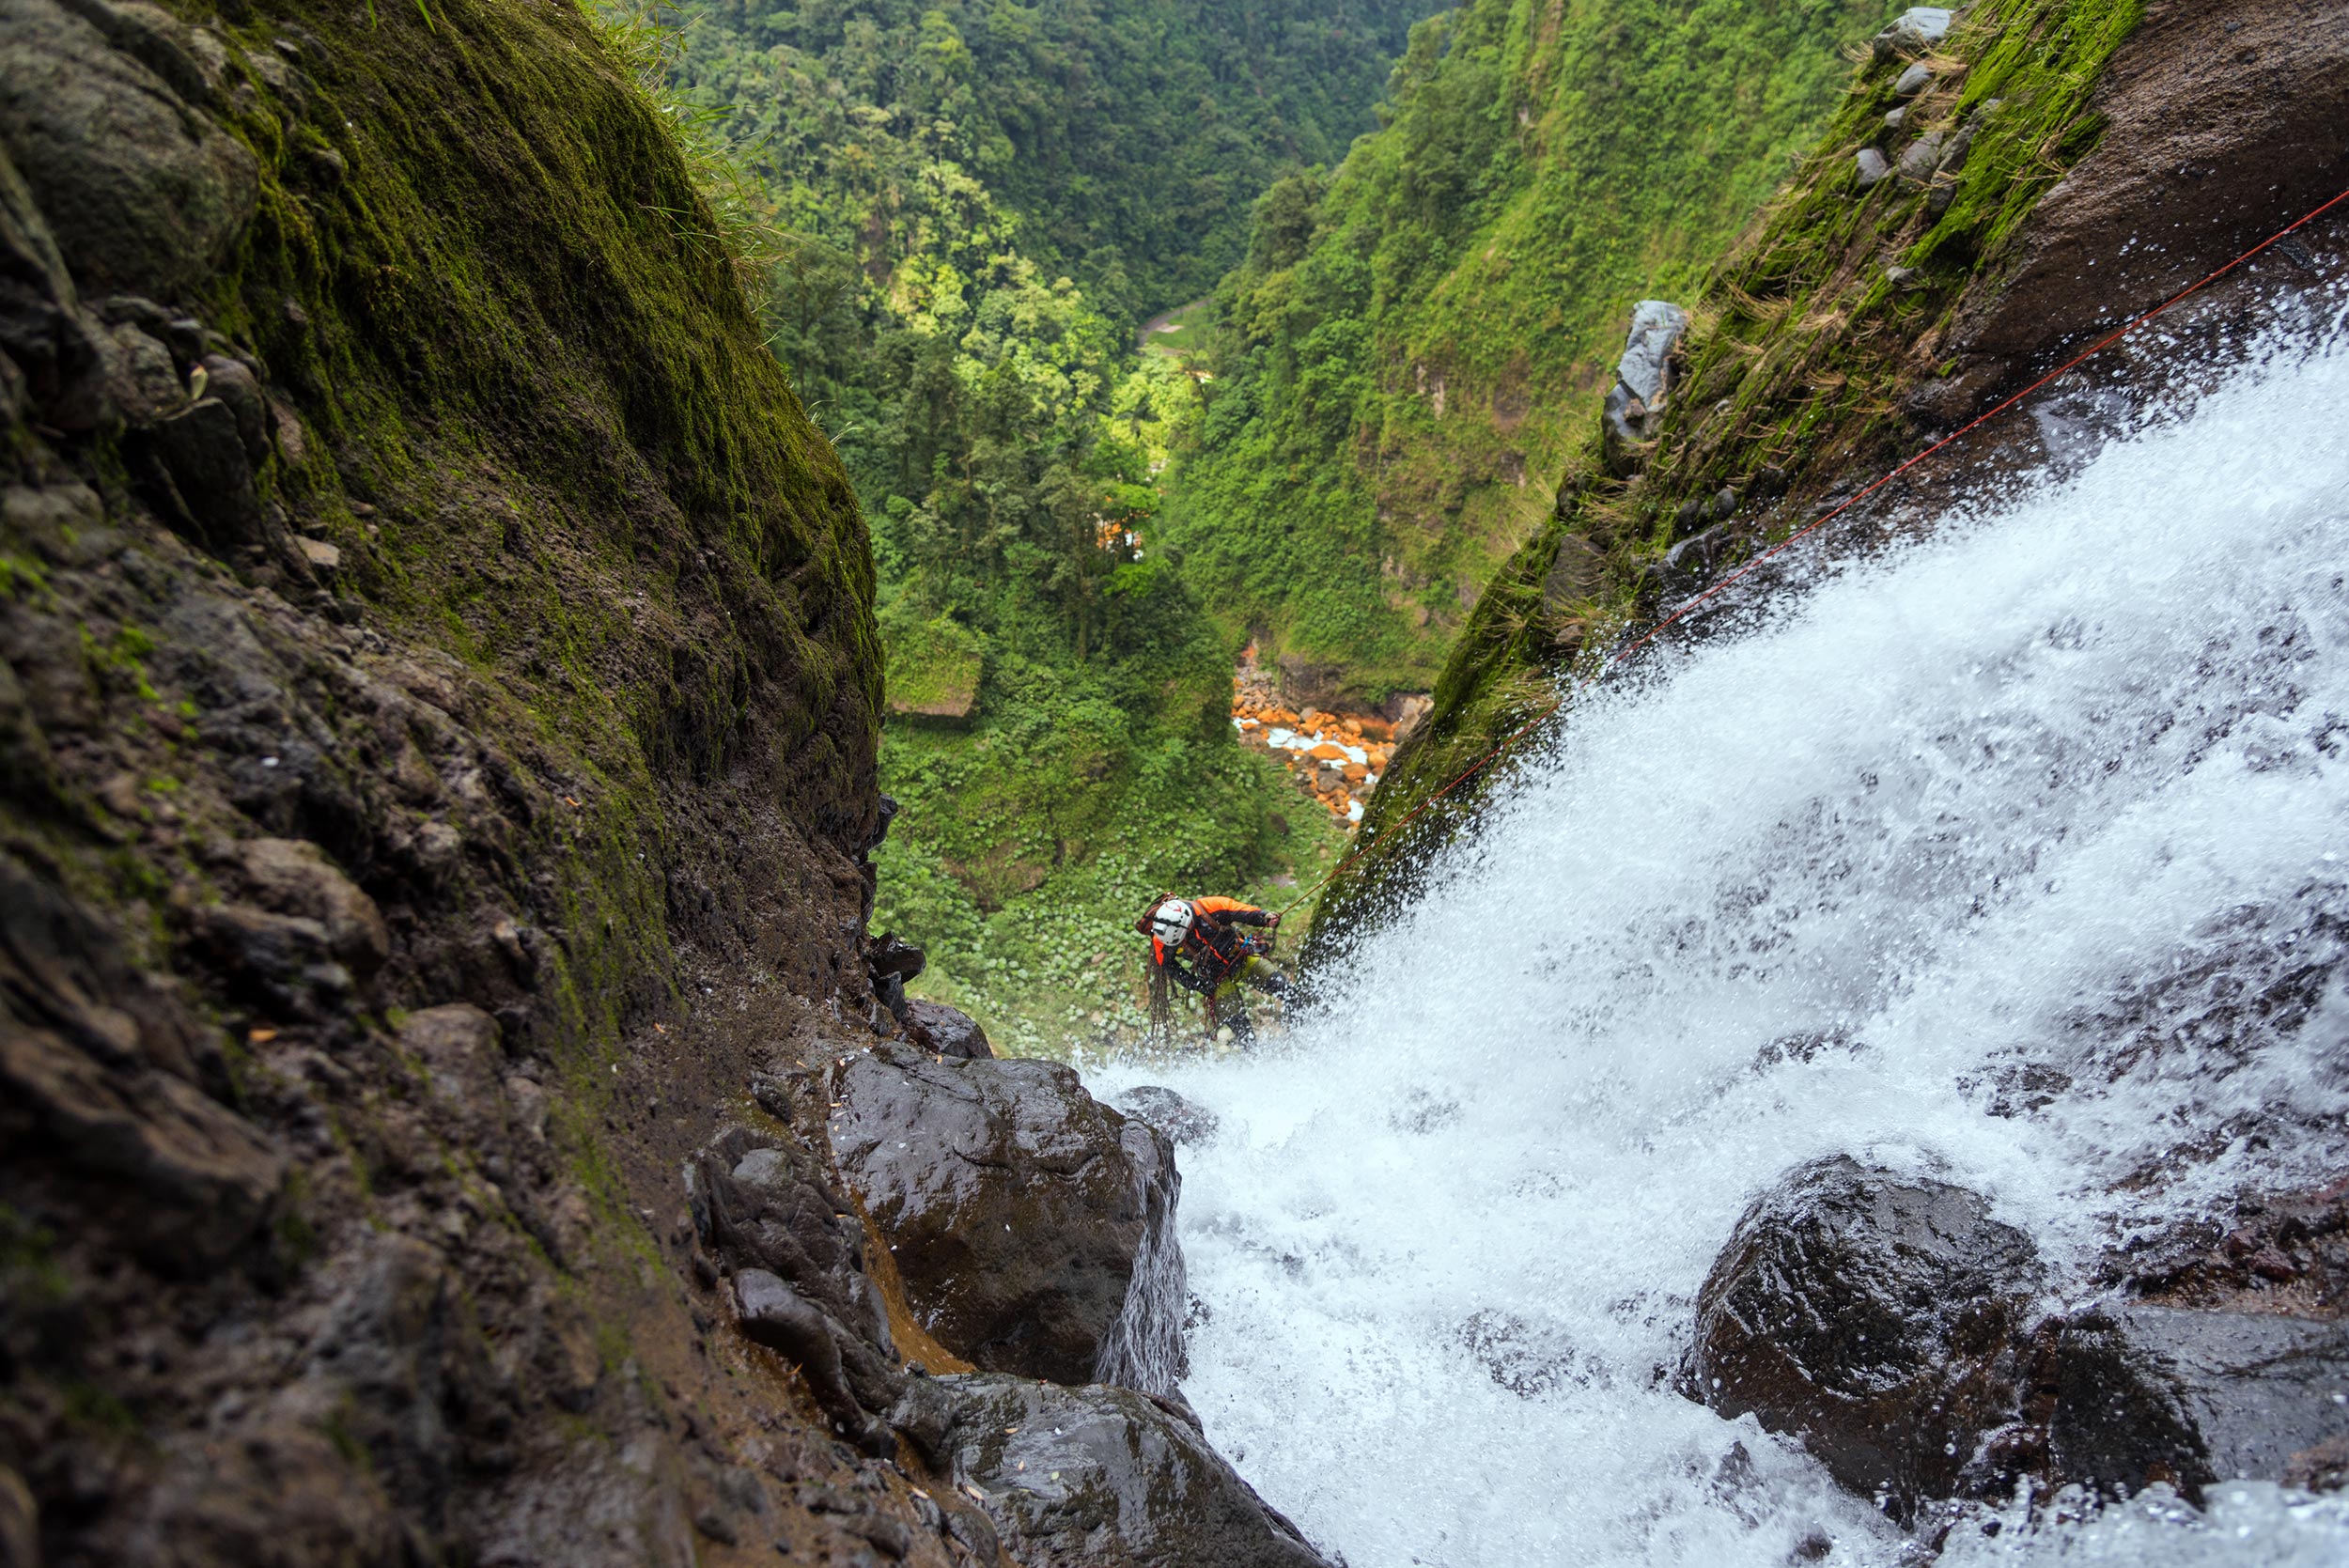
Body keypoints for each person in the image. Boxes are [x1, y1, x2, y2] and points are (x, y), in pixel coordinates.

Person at [1137, 895, 1290, 1044]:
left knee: (1286, 990)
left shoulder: (1211, 907)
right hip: (1216, 980)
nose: (1184, 940)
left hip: (1242, 958)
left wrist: (1264, 917)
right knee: (1242, 1032)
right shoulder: (1162, 938)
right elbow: (1169, 966)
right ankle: (1254, 1057)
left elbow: (1241, 911)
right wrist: (1197, 985)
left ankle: (1299, 1028)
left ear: (1188, 922)